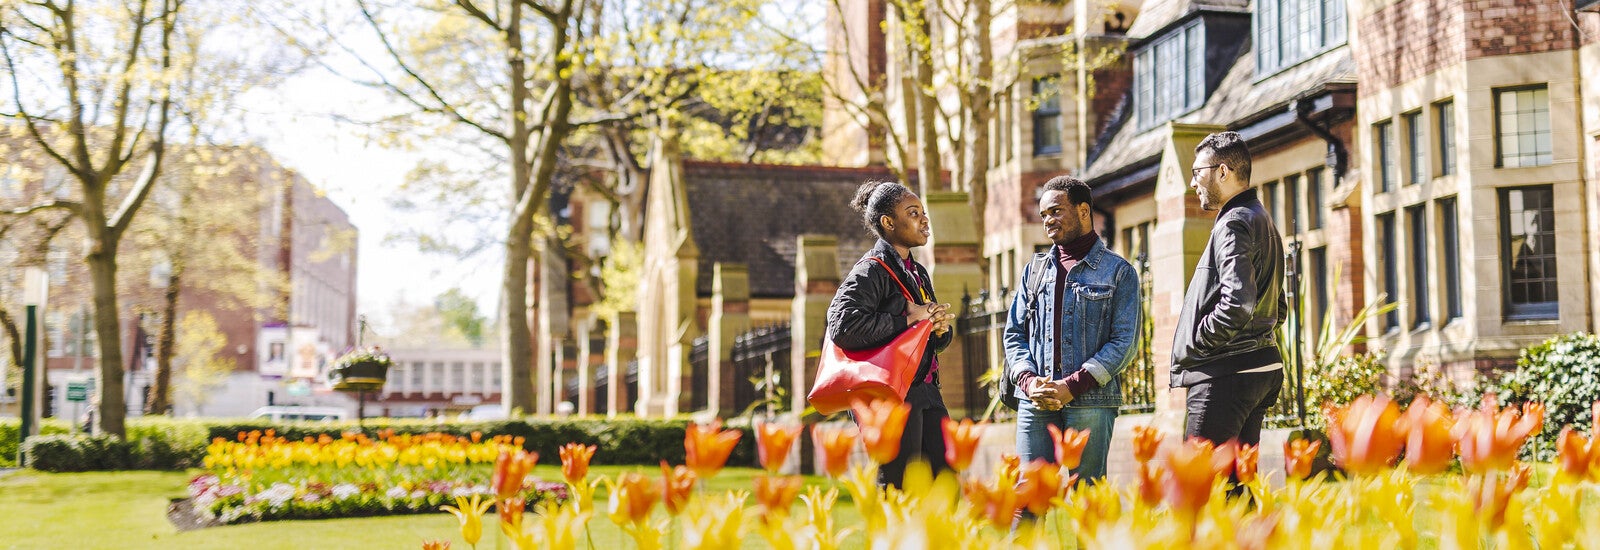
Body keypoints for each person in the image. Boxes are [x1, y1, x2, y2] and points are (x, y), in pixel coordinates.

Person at [1002, 176, 1141, 486]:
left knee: (1087, 497)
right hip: (1035, 402)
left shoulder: (1119, 272)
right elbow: (1014, 333)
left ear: (1083, 210)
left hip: (1090, 402)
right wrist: (1027, 381)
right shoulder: (1034, 271)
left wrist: (1073, 386)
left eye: (1055, 211)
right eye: (1043, 216)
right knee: (1028, 495)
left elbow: (1125, 342)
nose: (1048, 221)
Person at [826, 180, 957, 488]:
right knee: (898, 488)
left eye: (923, 212)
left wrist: (939, 331)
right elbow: (842, 325)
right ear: (888, 223)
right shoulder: (870, 271)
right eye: (913, 213)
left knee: (945, 485)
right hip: (890, 396)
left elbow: (925, 338)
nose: (924, 220)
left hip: (925, 389)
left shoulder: (918, 272)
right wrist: (905, 317)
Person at [1173, 131, 1288, 448]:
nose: (1193, 183)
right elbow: (1278, 309)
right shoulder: (1261, 218)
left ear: (1222, 171)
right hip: (1261, 366)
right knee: (1238, 488)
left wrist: (1201, 342)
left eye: (1198, 173)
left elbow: (1238, 303)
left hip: (1226, 373)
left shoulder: (1233, 223)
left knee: (1199, 486)